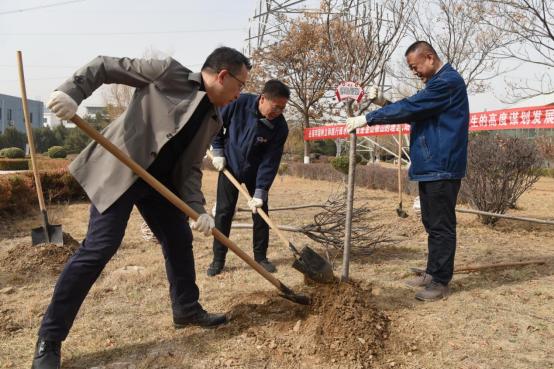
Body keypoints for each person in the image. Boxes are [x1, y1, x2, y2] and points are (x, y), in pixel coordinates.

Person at [31, 47, 251, 369]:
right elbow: (104, 66)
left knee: (179, 239)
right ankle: (49, 339)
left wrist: (197, 209)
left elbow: (190, 168)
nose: (240, 93)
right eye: (241, 84)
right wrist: (70, 93)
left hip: (160, 186)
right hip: (121, 171)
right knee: (99, 248)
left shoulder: (212, 119)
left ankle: (186, 309)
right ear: (222, 75)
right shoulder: (168, 73)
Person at [346, 41, 469, 302]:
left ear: (430, 57)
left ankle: (440, 281)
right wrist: (384, 103)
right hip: (431, 165)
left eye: (415, 67)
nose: (415, 72)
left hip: (441, 166)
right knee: (431, 222)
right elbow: (417, 111)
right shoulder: (436, 87)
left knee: (441, 225)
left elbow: (413, 106)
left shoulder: (447, 82)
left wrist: (370, 117)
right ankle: (432, 272)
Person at [207, 79, 290, 276]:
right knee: (224, 212)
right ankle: (218, 259)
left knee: (261, 213)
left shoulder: (280, 127)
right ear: (263, 99)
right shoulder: (239, 103)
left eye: (282, 108)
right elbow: (216, 124)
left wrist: (260, 192)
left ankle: (260, 257)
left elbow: (270, 161)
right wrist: (218, 150)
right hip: (230, 166)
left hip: (256, 172)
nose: (278, 112)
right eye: (276, 107)